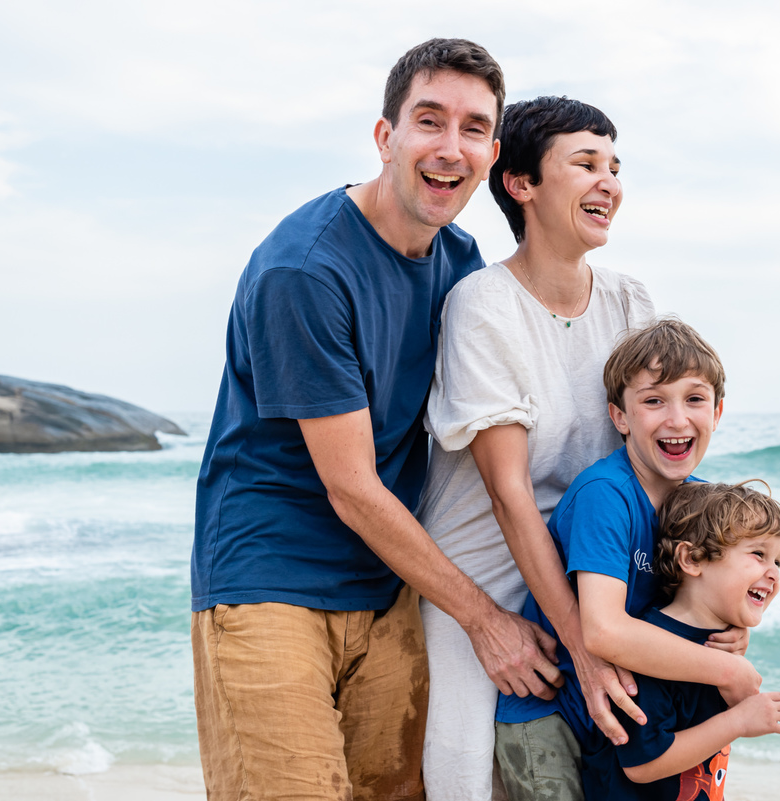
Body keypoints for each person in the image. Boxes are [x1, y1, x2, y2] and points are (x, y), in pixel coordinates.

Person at [190, 39, 561, 801]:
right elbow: (353, 487)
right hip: (270, 580)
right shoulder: (307, 269)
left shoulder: (459, 262)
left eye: (472, 129)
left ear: (492, 153)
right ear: (386, 136)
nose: (449, 147)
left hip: (385, 585)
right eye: (430, 121)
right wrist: (485, 620)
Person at [415, 95, 656, 801]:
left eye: (614, 166)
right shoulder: (483, 304)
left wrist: (706, 605)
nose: (609, 181)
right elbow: (509, 492)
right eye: (585, 163)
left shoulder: (630, 302)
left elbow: (658, 458)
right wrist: (582, 648)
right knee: (464, 775)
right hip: (485, 576)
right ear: (521, 184)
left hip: (593, 571)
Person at [493, 318, 769, 800]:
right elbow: (604, 630)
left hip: (630, 723)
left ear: (718, 412)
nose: (678, 419)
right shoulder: (608, 495)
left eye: (695, 399)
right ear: (620, 417)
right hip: (554, 714)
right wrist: (729, 672)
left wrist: (734, 628)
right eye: (654, 400)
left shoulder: (704, 506)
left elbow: (719, 590)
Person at [589, 481, 780, 800]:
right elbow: (641, 765)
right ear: (693, 559)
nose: (774, 574)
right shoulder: (650, 650)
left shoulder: (721, 645)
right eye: (758, 554)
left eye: (778, 562)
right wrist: (738, 722)